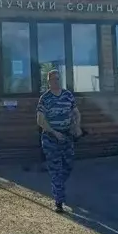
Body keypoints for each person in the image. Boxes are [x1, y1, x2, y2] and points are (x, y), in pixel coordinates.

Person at [36, 70, 81, 212]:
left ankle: (58, 186)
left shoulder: (67, 95)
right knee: (56, 169)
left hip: (67, 137)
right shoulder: (45, 98)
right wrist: (54, 132)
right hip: (51, 139)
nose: (56, 81)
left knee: (67, 166)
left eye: (58, 79)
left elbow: (76, 112)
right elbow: (40, 120)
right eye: (53, 79)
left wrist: (76, 126)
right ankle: (59, 201)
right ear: (49, 82)